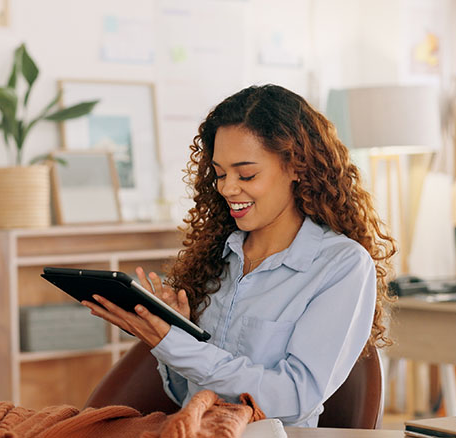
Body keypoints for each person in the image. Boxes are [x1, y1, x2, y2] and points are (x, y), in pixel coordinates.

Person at [82, 84, 397, 427]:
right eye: (220, 173)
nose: (227, 188)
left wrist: (178, 346)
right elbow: (187, 394)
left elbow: (293, 398)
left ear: (297, 167)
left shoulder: (341, 265)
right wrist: (175, 335)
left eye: (246, 174)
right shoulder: (218, 256)